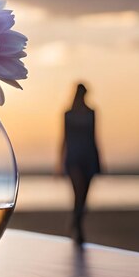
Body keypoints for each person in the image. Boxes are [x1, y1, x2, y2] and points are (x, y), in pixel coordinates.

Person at [60, 83, 101, 245]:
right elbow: (63, 138)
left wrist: (98, 159)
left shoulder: (92, 112)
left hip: (89, 157)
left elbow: (94, 136)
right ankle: (78, 228)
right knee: (78, 192)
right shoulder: (68, 114)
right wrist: (60, 160)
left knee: (84, 197)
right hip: (74, 158)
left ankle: (76, 224)